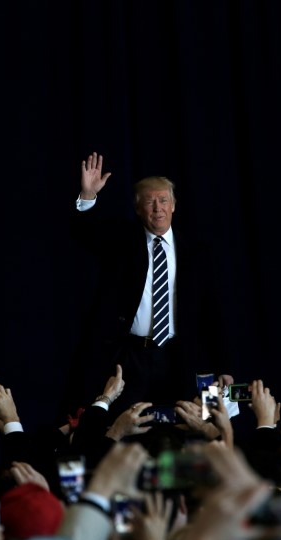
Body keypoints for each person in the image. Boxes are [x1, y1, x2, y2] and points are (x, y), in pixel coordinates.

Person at [69, 151, 233, 415]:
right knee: (127, 428)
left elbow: (212, 313)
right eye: (149, 202)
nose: (158, 208)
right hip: (131, 358)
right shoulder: (121, 243)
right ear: (137, 208)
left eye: (163, 200)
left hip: (181, 357)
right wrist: (88, 195)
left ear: (174, 206)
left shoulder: (196, 252)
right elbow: (84, 234)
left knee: (189, 429)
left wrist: (224, 367)